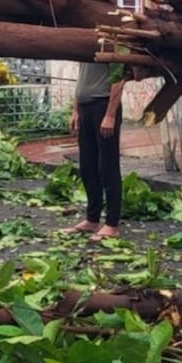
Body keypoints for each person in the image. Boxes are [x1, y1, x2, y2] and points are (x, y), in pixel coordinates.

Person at [66, 60, 125, 238]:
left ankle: (112, 224)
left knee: (107, 166)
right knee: (87, 166)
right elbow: (81, 79)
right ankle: (92, 219)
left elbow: (119, 78)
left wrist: (110, 114)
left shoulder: (112, 42)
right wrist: (75, 110)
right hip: (85, 107)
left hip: (103, 106)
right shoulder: (85, 46)